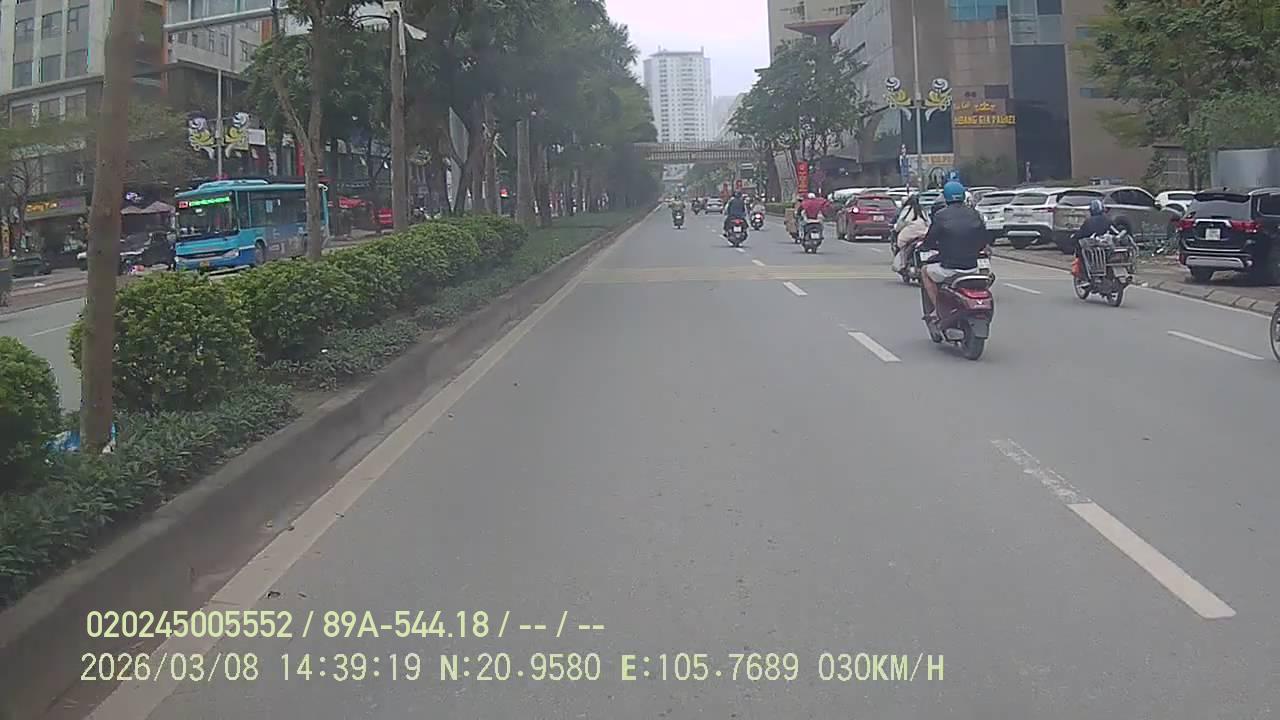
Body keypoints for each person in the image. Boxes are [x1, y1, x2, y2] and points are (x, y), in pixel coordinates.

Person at [918, 181, 987, 319]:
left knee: (925, 272)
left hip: (949, 268)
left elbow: (930, 240)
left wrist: (925, 247)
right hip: (972, 268)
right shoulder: (976, 214)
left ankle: (937, 309)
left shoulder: (940, 215)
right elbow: (983, 240)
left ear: (945, 197)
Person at [1071, 198, 1113, 281]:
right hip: (1105, 246)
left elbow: (1082, 233)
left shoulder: (1089, 221)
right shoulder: (1108, 220)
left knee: (1082, 251)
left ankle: (1087, 274)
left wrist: (1074, 236)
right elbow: (1114, 230)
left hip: (1095, 247)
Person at [891, 194, 930, 272]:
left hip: (909, 233)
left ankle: (903, 264)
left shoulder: (907, 210)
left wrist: (897, 229)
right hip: (924, 233)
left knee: (901, 245)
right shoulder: (923, 210)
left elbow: (901, 222)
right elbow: (928, 222)